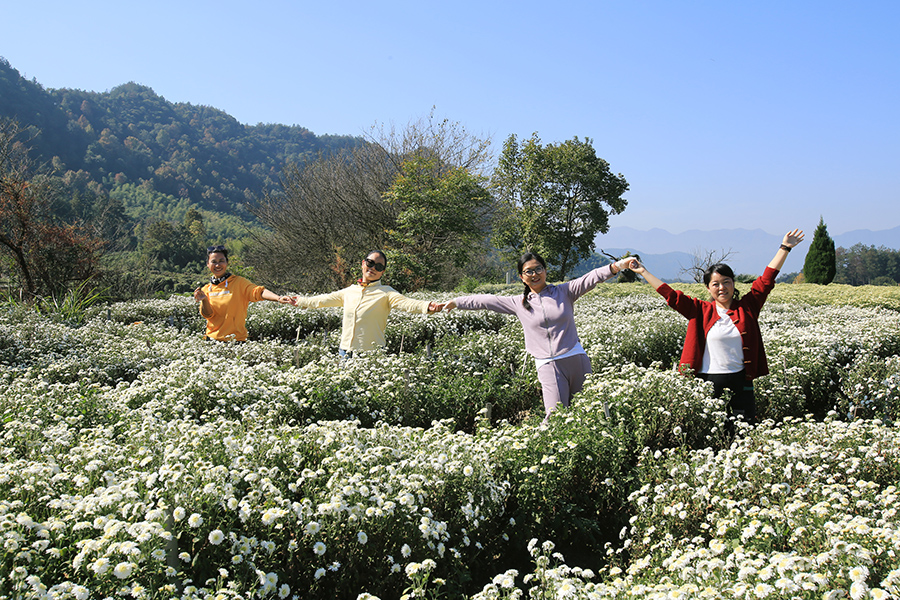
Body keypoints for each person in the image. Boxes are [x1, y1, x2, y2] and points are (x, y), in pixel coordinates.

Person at [630, 229, 805, 426]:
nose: (722, 288)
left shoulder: (748, 307)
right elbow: (671, 296)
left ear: (733, 283)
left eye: (726, 282)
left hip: (742, 382)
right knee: (711, 431)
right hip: (707, 383)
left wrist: (785, 248)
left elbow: (765, 281)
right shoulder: (699, 310)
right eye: (716, 284)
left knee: (745, 429)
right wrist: (643, 272)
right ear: (708, 288)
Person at [444, 252, 638, 421]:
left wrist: (618, 266)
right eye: (529, 271)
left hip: (575, 358)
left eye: (538, 269)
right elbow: (485, 300)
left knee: (589, 411)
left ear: (545, 271)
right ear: (521, 277)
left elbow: (591, 278)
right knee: (555, 416)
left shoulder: (565, 291)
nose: (534, 274)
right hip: (548, 364)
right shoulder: (517, 303)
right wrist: (456, 302)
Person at [288, 250, 443, 356]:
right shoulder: (350, 291)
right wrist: (298, 301)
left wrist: (427, 306)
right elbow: (322, 300)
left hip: (371, 355)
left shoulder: (386, 292)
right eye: (370, 263)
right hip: (345, 352)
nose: (373, 268)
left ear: (383, 272)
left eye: (379, 266)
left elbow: (407, 303)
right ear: (363, 264)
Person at [193, 245, 291, 341]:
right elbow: (208, 315)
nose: (218, 265)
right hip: (212, 340)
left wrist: (278, 298)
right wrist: (204, 300)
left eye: (221, 261)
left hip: (236, 341)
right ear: (208, 264)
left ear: (227, 262)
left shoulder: (239, 282)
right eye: (213, 262)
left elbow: (258, 292)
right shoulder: (206, 289)